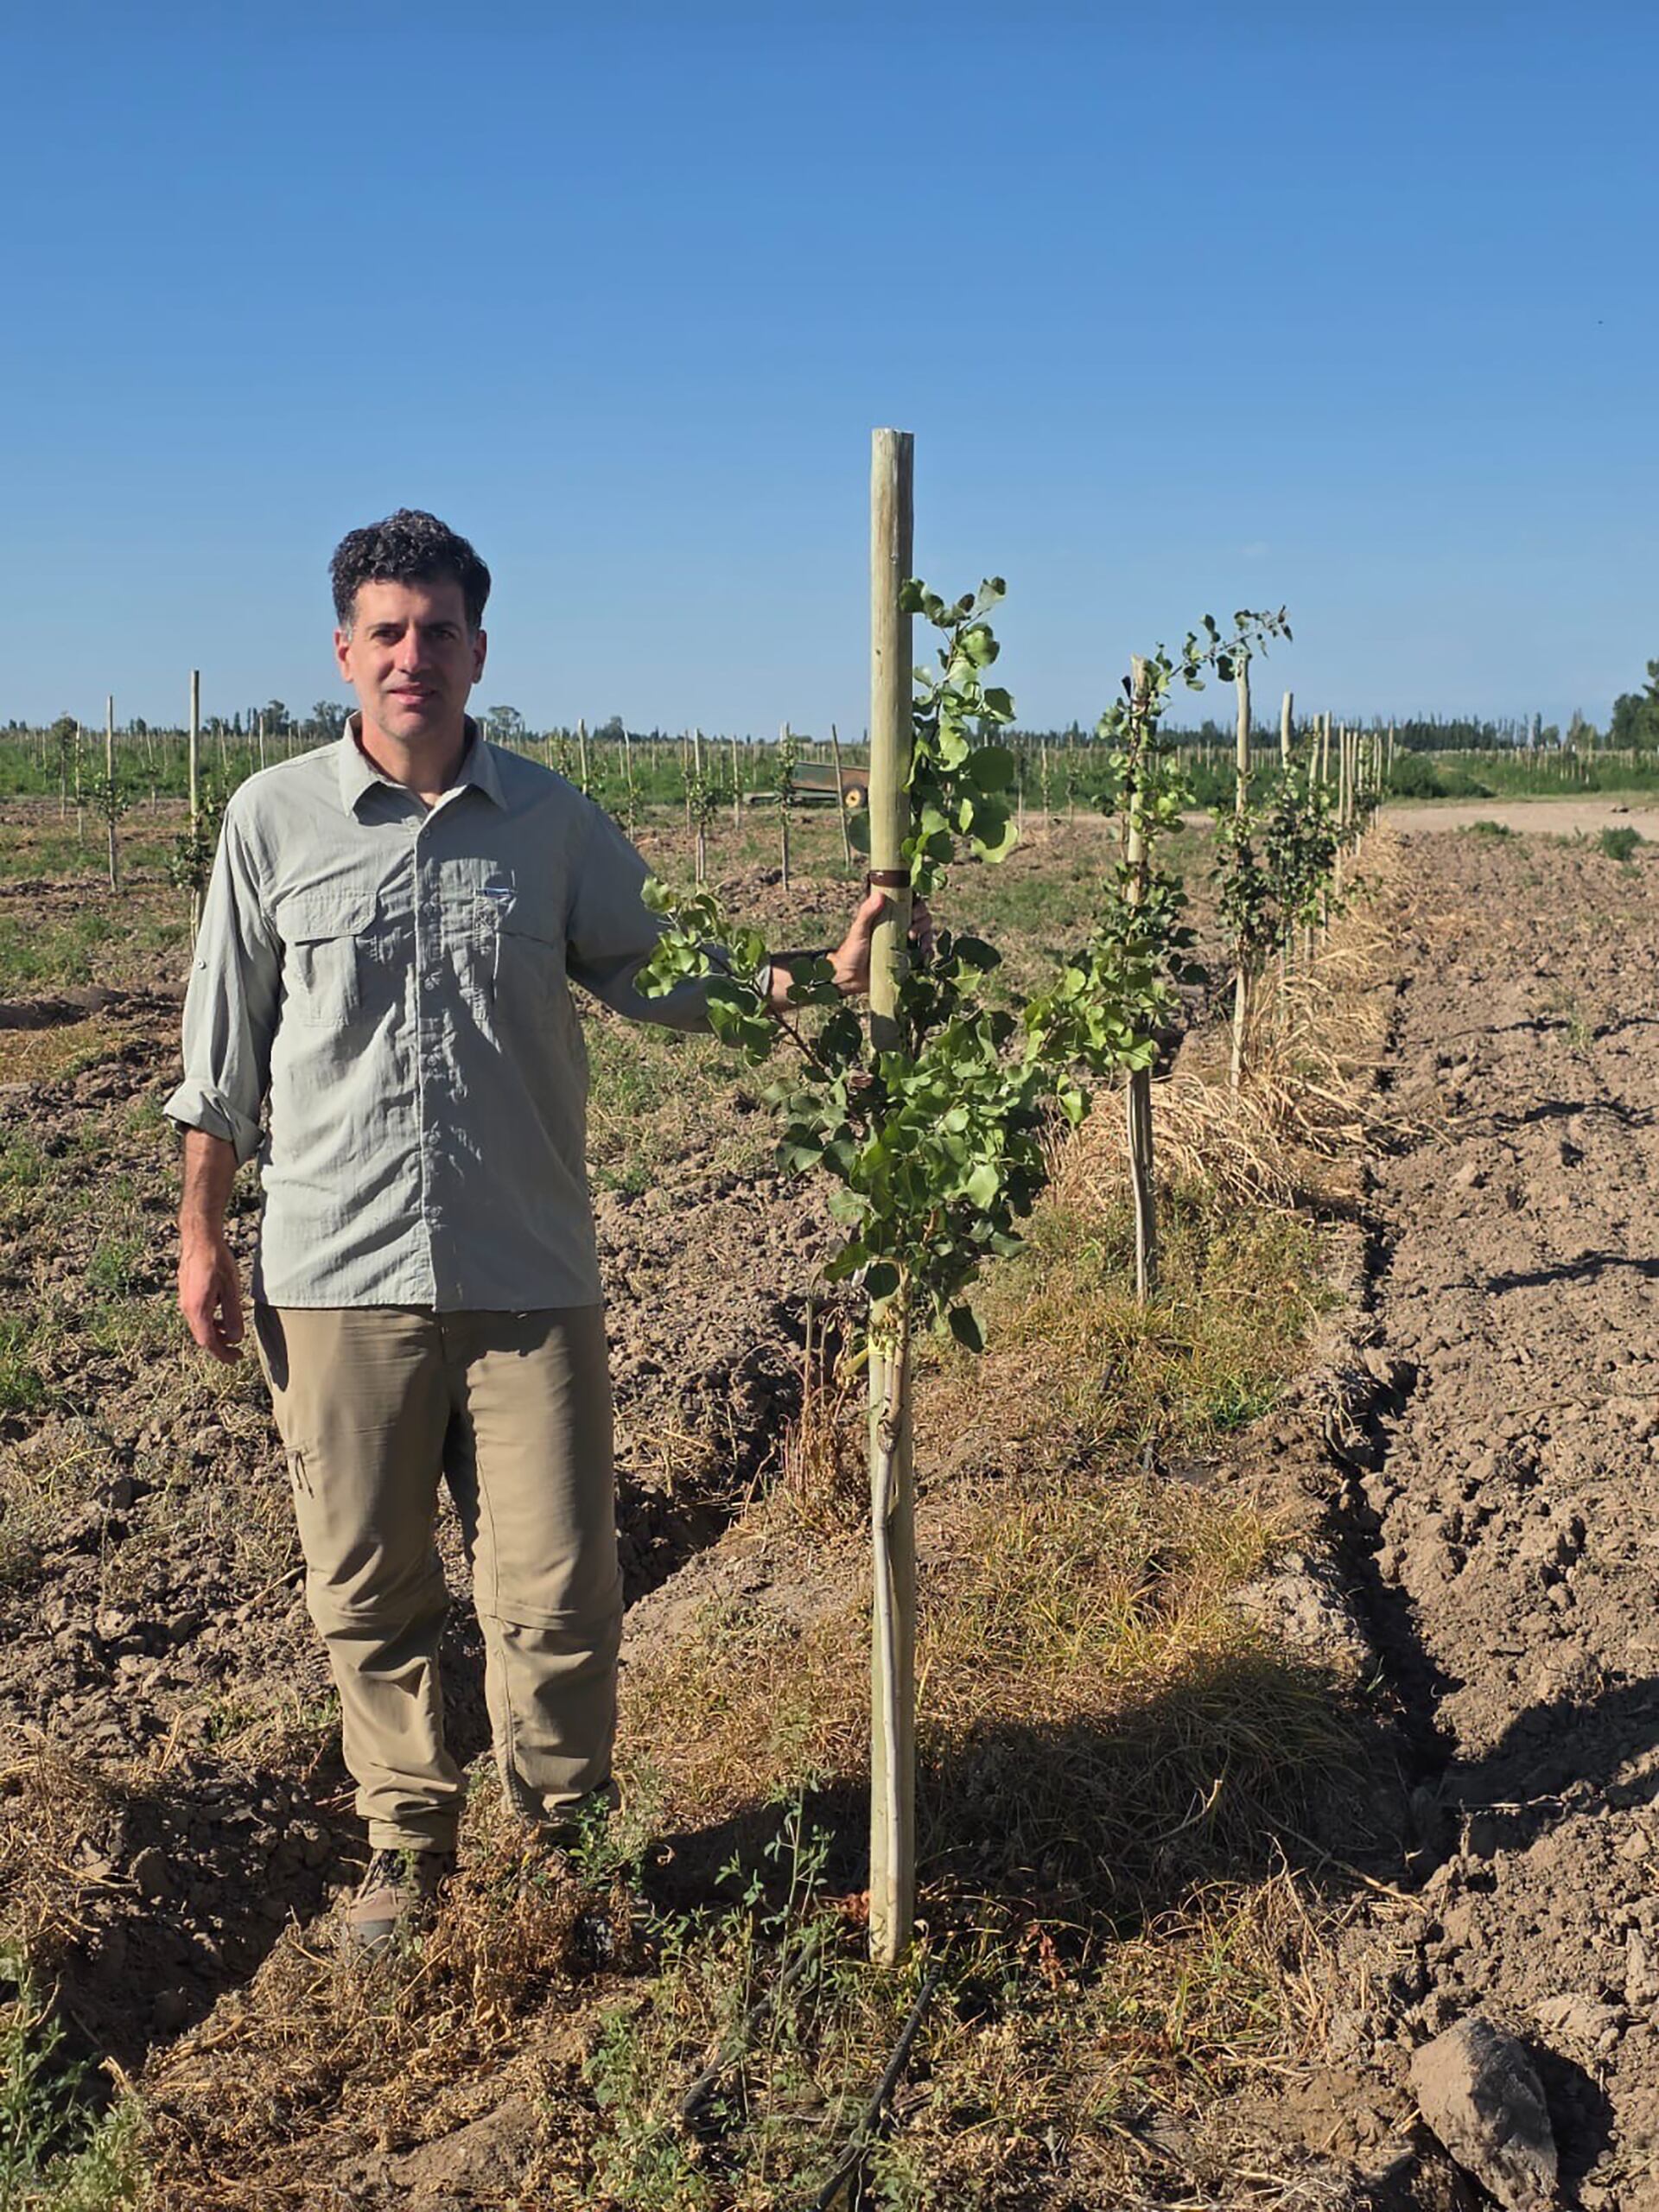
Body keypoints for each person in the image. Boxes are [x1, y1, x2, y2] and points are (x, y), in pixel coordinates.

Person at [167, 509, 890, 1953]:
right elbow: (220, 1057)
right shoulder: (271, 821)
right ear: (344, 653)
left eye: (439, 630)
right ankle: (404, 1857)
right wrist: (203, 1234)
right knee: (369, 1590)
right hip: (335, 1275)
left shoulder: (552, 823)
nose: (413, 656)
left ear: (479, 648)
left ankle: (568, 1850)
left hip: (526, 1272)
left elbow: (657, 970)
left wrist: (816, 975)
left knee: (559, 1592)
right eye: (387, 631)